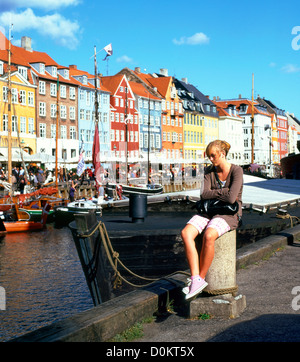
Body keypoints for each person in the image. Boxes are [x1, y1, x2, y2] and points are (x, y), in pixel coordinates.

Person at [181, 140, 243, 301]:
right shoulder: (209, 171)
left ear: (222, 154)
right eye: (209, 156)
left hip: (229, 215)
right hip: (209, 211)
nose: (210, 159)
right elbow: (204, 194)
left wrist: (216, 193)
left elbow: (231, 200)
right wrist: (224, 191)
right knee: (186, 233)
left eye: (213, 155)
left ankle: (200, 278)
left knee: (209, 235)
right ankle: (195, 278)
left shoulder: (237, 171)